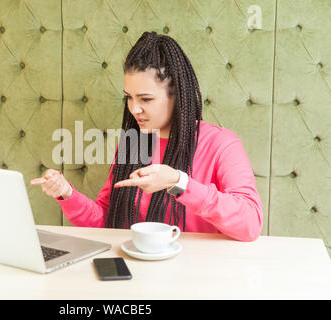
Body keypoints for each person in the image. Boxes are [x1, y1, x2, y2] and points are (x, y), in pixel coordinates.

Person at [31, 31, 263, 242]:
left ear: (177, 96)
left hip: (202, 276)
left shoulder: (221, 144)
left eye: (145, 99)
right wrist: (67, 194)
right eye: (129, 98)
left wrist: (179, 182)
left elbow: (250, 223)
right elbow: (106, 222)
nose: (134, 109)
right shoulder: (133, 143)